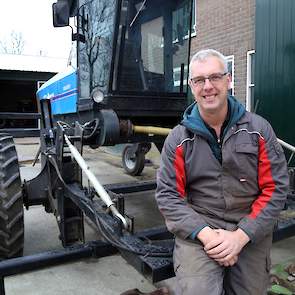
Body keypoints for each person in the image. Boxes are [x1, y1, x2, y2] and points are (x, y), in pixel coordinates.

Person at [155, 49, 289, 295]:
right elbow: (168, 196)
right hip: (200, 231)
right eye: (199, 80)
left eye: (215, 77)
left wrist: (241, 236)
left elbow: (276, 189)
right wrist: (206, 235)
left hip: (250, 228)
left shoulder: (259, 130)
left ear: (228, 80)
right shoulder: (178, 139)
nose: (208, 86)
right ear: (191, 86)